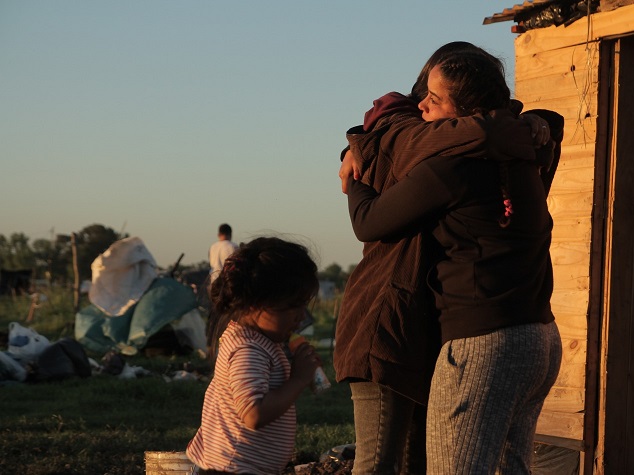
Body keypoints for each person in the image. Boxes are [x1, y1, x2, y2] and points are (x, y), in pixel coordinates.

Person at [334, 42, 554, 475]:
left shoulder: (448, 169)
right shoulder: (530, 155)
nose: (423, 107)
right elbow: (541, 129)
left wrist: (353, 166)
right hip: (540, 338)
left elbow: (368, 222)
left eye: (435, 100)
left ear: (467, 113)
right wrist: (535, 121)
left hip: (483, 342)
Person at [186, 237, 321, 475]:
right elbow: (253, 413)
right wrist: (298, 379)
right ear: (252, 304)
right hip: (235, 468)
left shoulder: (261, 342)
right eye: (292, 306)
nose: (301, 316)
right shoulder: (247, 349)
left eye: (303, 306)